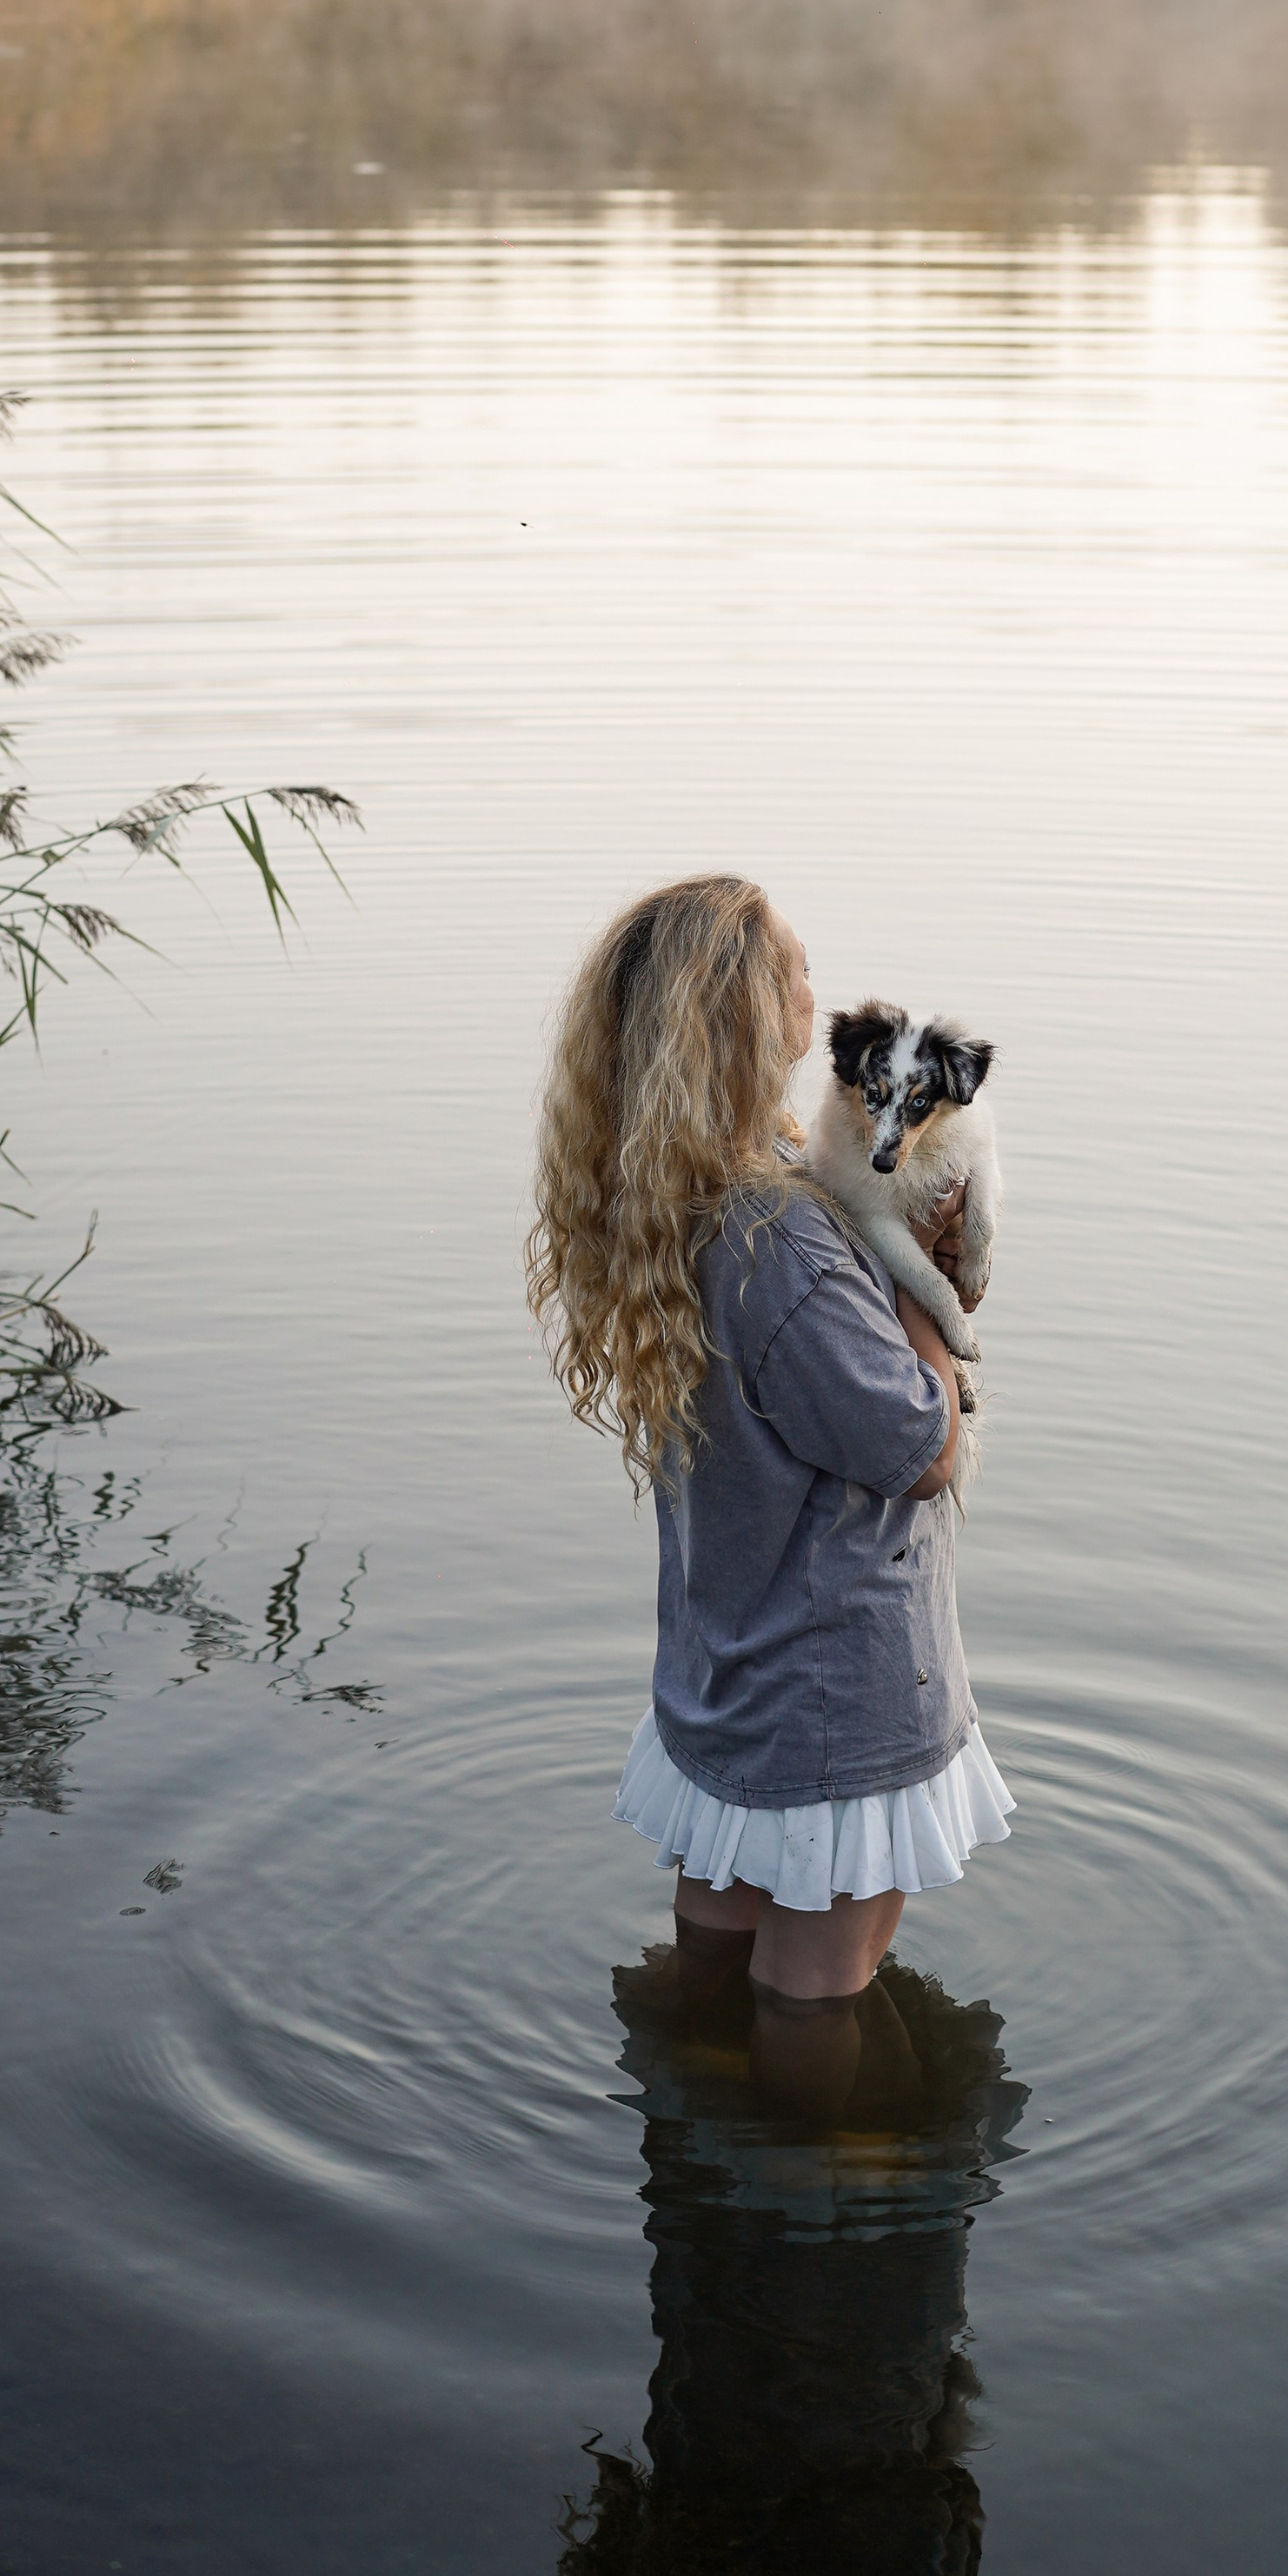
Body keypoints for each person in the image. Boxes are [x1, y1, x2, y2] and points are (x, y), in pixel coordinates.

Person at [527, 874, 1013, 2117]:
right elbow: (920, 1445)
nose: (818, 991)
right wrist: (929, 1306)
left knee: (723, 1922)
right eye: (795, 973)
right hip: (830, 1689)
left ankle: (695, 2141)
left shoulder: (675, 1194)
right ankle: (804, 2209)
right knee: (816, 1985)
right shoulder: (781, 1235)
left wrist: (915, 1251)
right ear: (747, 1016)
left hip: (726, 1660)